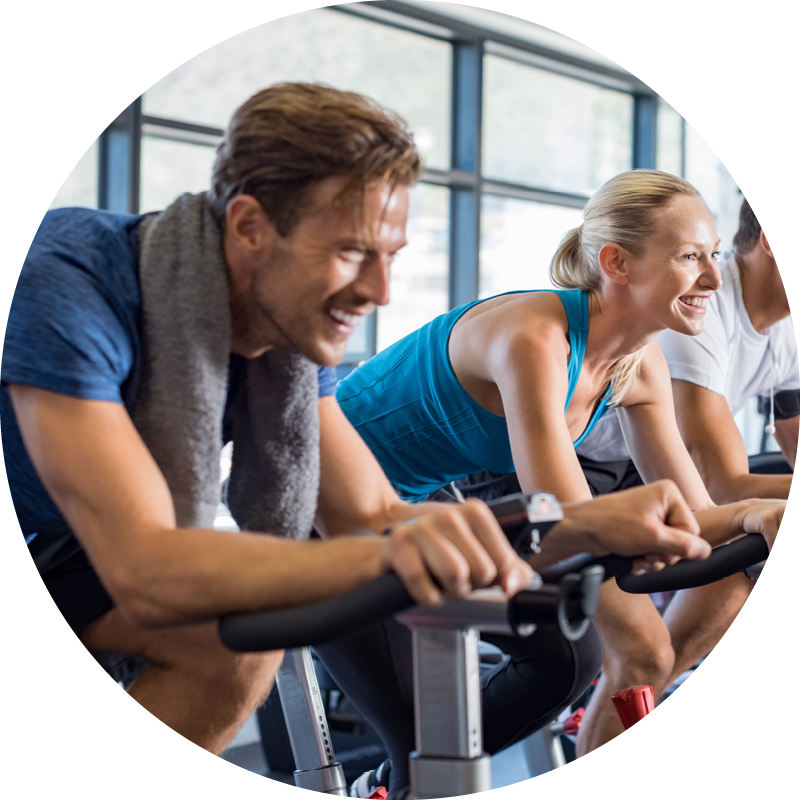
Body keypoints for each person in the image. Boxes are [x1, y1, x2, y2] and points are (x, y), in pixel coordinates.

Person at [0, 86, 710, 768]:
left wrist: (587, 526)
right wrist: (392, 557)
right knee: (237, 632)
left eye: (390, 256)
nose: (379, 292)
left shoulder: (288, 337)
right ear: (248, 227)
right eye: (349, 251)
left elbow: (370, 513)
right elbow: (146, 570)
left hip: (74, 549)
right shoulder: (69, 280)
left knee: (239, 648)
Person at [335, 169, 785, 762]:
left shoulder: (640, 364)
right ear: (617, 263)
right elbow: (568, 523)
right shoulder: (535, 339)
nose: (713, 278)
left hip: (415, 499)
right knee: (420, 735)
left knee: (569, 662)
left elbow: (697, 511)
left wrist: (760, 515)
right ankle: (405, 772)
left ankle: (414, 770)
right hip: (328, 493)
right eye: (688, 256)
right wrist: (698, 523)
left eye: (714, 254)